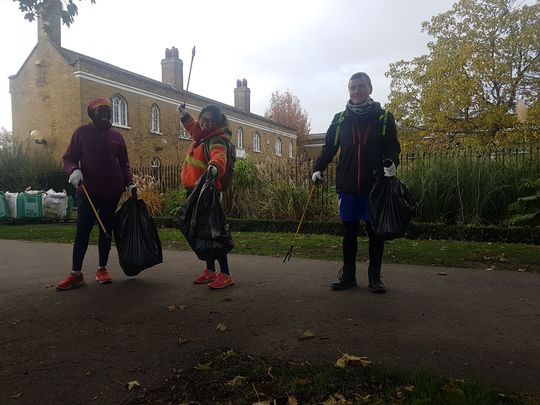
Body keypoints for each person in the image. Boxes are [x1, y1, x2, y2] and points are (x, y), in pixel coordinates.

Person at [312, 72, 401, 293]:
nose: (356, 91)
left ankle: (374, 277)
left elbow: (392, 146)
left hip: (375, 187)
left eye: (361, 86)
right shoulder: (340, 119)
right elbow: (329, 149)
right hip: (348, 187)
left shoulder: (384, 117)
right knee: (349, 233)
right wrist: (317, 168)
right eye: (352, 87)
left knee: (375, 233)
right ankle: (348, 276)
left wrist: (392, 162)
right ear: (348, 90)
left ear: (370, 89)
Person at [56, 97, 135, 290]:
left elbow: (124, 164)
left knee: (105, 231)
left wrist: (130, 182)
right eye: (101, 111)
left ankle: (102, 268)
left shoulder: (117, 137)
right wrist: (74, 170)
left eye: (108, 111)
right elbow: (68, 158)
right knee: (82, 230)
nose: (106, 114)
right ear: (92, 113)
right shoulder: (81, 133)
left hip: (112, 192)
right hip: (88, 193)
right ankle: (76, 273)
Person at [177, 103, 234, 289]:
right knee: (203, 232)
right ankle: (210, 270)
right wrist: (185, 116)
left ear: (217, 124)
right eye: (204, 119)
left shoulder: (216, 139)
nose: (205, 124)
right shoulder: (202, 136)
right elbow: (194, 127)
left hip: (207, 192)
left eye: (211, 121)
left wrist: (215, 166)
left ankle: (225, 273)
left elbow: (220, 155)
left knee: (213, 232)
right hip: (196, 192)